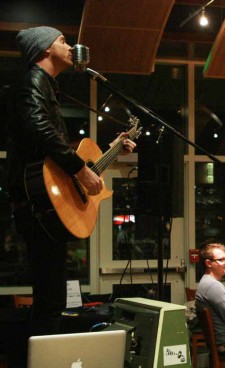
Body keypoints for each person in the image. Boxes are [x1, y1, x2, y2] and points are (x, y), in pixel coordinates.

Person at [7, 26, 136, 339]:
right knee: (50, 301)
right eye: (62, 40)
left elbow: (54, 149)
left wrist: (112, 151)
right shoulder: (34, 80)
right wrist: (80, 169)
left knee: (52, 300)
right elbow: (40, 129)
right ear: (45, 49)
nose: (70, 46)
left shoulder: (46, 85)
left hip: (45, 205)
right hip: (38, 205)